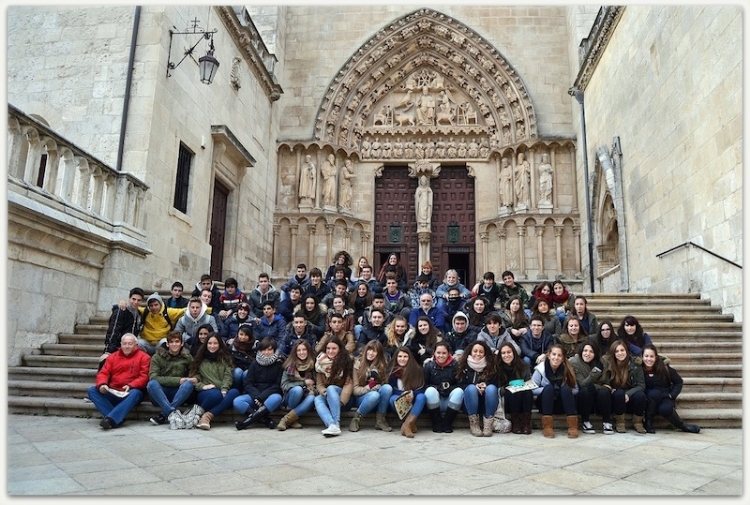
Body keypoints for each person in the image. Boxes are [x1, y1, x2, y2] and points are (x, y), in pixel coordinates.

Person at [87, 333, 150, 429]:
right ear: (121, 344)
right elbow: (103, 373)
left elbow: (144, 377)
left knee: (136, 393)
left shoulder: (144, 357)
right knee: (92, 390)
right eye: (124, 344)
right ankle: (116, 418)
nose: (127, 346)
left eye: (130, 344)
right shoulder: (112, 357)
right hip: (113, 391)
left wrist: (131, 385)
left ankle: (111, 419)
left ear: (135, 345)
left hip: (130, 392)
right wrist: (103, 385)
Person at [641, 344, 699, 434]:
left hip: (664, 396)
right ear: (642, 357)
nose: (649, 359)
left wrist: (672, 394)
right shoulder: (639, 369)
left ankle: (682, 425)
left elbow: (678, 382)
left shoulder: (665, 368)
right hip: (648, 399)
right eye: (646, 356)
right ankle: (648, 422)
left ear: (656, 357)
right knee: (654, 393)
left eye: (651, 356)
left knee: (666, 409)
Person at [189, 333, 241, 430]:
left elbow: (228, 376)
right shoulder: (200, 359)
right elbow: (194, 377)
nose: (212, 346)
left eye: (215, 343)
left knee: (235, 392)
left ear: (220, 344)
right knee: (216, 395)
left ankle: (207, 416)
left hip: (221, 390)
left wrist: (224, 389)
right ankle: (202, 414)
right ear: (206, 344)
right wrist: (202, 386)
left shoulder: (226, 359)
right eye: (209, 343)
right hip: (206, 392)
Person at [146, 330, 196, 426]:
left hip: (179, 394)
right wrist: (178, 380)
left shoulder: (188, 357)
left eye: (177, 342)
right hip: (160, 394)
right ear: (167, 344)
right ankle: (172, 412)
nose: (174, 344)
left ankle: (163, 415)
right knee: (151, 384)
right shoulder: (157, 357)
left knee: (188, 385)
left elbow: (195, 374)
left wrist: (195, 379)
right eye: (171, 342)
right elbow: (154, 377)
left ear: (182, 344)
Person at [234, 337, 284, 430]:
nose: (267, 352)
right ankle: (265, 419)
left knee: (277, 398)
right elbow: (248, 383)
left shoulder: (278, 365)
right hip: (255, 396)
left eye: (269, 349)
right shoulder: (254, 363)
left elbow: (277, 386)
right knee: (237, 402)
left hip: (269, 396)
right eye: (264, 349)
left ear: (274, 350)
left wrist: (262, 397)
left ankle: (245, 423)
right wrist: (257, 396)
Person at [531, 343, 579, 438]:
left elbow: (576, 389)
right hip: (545, 403)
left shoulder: (567, 369)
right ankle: (547, 427)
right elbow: (532, 389)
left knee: (565, 389)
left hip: (561, 404)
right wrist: (549, 390)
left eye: (559, 355)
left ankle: (572, 427)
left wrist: (561, 391)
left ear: (562, 358)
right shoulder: (541, 369)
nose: (556, 358)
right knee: (549, 388)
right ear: (549, 355)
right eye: (554, 354)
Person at [601, 339, 647, 434]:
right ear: (613, 353)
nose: (620, 353)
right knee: (619, 393)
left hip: (631, 393)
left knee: (641, 395)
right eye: (617, 351)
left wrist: (628, 394)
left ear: (626, 351)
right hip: (616, 395)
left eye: (622, 350)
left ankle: (638, 422)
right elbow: (604, 382)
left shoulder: (635, 363)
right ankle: (620, 422)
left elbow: (641, 385)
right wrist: (611, 389)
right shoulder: (608, 364)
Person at [456, 340, 499, 437]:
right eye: (475, 351)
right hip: (469, 403)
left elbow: (497, 384)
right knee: (471, 388)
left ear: (485, 353)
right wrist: (475, 387)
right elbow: (458, 385)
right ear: (470, 352)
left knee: (492, 388)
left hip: (487, 403)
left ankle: (488, 425)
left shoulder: (491, 366)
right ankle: (474, 425)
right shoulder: (463, 365)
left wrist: (485, 385)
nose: (478, 354)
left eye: (481, 351)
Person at [348, 340, 394, 432]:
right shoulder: (357, 364)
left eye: (374, 351)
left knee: (387, 388)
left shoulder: (382, 365)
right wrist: (369, 387)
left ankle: (380, 420)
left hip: (379, 397)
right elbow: (355, 390)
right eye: (369, 350)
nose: (371, 353)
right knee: (374, 395)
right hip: (362, 397)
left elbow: (385, 385)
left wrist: (378, 383)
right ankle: (356, 419)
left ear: (379, 353)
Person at [568, 341, 611, 435]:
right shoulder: (574, 362)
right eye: (585, 351)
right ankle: (585, 421)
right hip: (583, 397)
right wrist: (596, 372)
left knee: (604, 392)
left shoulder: (602, 363)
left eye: (591, 351)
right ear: (581, 351)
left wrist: (595, 386)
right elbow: (582, 384)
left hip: (599, 398)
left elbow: (606, 383)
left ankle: (607, 422)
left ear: (595, 353)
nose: (587, 354)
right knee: (587, 390)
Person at [314, 337, 354, 436]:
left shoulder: (346, 360)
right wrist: (325, 393)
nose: (330, 351)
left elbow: (349, 384)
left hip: (344, 398)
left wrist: (340, 401)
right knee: (318, 399)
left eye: (334, 348)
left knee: (331, 388)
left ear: (339, 349)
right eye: (328, 348)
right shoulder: (320, 363)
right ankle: (332, 425)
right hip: (329, 396)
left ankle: (336, 422)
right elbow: (319, 385)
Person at [423, 341, 463, 433]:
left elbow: (460, 384)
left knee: (459, 391)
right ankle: (436, 422)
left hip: (450, 402)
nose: (441, 355)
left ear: (448, 354)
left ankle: (447, 422)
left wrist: (449, 389)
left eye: (444, 353)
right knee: (430, 391)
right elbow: (424, 385)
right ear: (434, 353)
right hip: (434, 402)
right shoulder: (428, 366)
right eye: (438, 353)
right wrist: (437, 388)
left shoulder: (455, 365)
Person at [277, 340, 317, 431]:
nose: (301, 352)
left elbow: (318, 384)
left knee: (312, 398)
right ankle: (291, 418)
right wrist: (303, 383)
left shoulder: (314, 365)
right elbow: (284, 385)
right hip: (291, 396)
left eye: (304, 350)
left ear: (308, 351)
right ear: (295, 352)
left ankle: (287, 419)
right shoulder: (290, 365)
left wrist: (313, 391)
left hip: (306, 396)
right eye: (299, 350)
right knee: (298, 390)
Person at [130, 292, 186, 356]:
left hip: (161, 343)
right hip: (147, 343)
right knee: (138, 342)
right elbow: (132, 308)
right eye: (151, 305)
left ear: (160, 304)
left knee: (165, 342)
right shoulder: (145, 311)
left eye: (156, 305)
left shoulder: (168, 312)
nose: (154, 307)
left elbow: (183, 310)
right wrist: (122, 303)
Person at [387, 347, 426, 438]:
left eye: (405, 356)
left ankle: (407, 424)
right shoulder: (392, 371)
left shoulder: (417, 370)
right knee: (392, 399)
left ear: (409, 358)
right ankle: (410, 424)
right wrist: (402, 393)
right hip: (399, 399)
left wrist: (412, 393)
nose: (402, 359)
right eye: (400, 356)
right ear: (396, 358)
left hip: (413, 400)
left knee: (422, 397)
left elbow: (422, 387)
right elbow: (391, 388)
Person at [101, 287, 144, 368]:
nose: (135, 302)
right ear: (129, 298)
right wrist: (109, 350)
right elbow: (113, 330)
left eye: (138, 300)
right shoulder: (121, 311)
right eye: (133, 299)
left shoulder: (139, 314)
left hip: (129, 348)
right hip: (117, 347)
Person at [497, 342, 533, 435]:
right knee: (514, 393)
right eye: (503, 353)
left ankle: (526, 423)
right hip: (507, 398)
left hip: (523, 397)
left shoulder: (524, 366)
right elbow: (498, 389)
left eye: (509, 352)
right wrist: (510, 387)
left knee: (527, 392)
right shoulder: (497, 368)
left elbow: (528, 382)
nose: (506, 355)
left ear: (514, 353)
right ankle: (516, 422)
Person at [229, 324, 257, 389]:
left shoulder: (256, 345)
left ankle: (246, 390)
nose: (243, 337)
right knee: (237, 372)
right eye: (241, 334)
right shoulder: (232, 346)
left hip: (251, 368)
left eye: (246, 335)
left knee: (246, 373)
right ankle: (236, 389)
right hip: (237, 367)